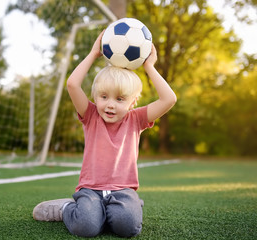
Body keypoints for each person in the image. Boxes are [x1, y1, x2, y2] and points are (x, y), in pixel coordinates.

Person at [32, 30, 177, 238]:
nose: (110, 105)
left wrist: (149, 67)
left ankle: (126, 208)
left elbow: (169, 99)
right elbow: (72, 84)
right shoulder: (91, 115)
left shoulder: (136, 119)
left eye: (120, 99)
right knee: (86, 228)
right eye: (104, 97)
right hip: (90, 191)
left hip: (123, 191)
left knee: (128, 228)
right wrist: (93, 54)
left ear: (132, 102)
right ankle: (66, 209)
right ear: (95, 97)